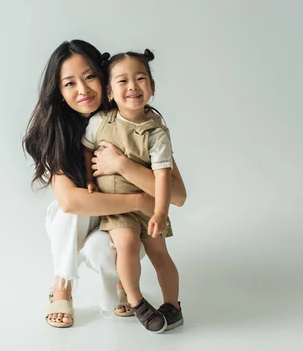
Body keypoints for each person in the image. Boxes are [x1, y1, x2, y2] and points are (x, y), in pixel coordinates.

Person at [22, 40, 187, 328]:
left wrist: (122, 164)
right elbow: (70, 202)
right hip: (92, 217)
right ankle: (62, 285)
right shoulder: (60, 132)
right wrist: (138, 200)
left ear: (104, 78)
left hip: (132, 222)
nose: (83, 90)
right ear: (59, 92)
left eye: (89, 77)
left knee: (118, 247)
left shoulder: (142, 121)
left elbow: (178, 195)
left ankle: (127, 287)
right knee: (66, 215)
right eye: (69, 83)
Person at [82, 49, 183, 333]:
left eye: (140, 79)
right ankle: (137, 302)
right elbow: (86, 150)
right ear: (110, 92)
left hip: (150, 206)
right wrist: (90, 179)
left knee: (160, 254)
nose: (133, 87)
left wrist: (161, 212)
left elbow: (163, 176)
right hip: (116, 205)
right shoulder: (100, 122)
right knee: (126, 244)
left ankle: (173, 306)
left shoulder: (156, 132)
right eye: (123, 81)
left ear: (151, 86)